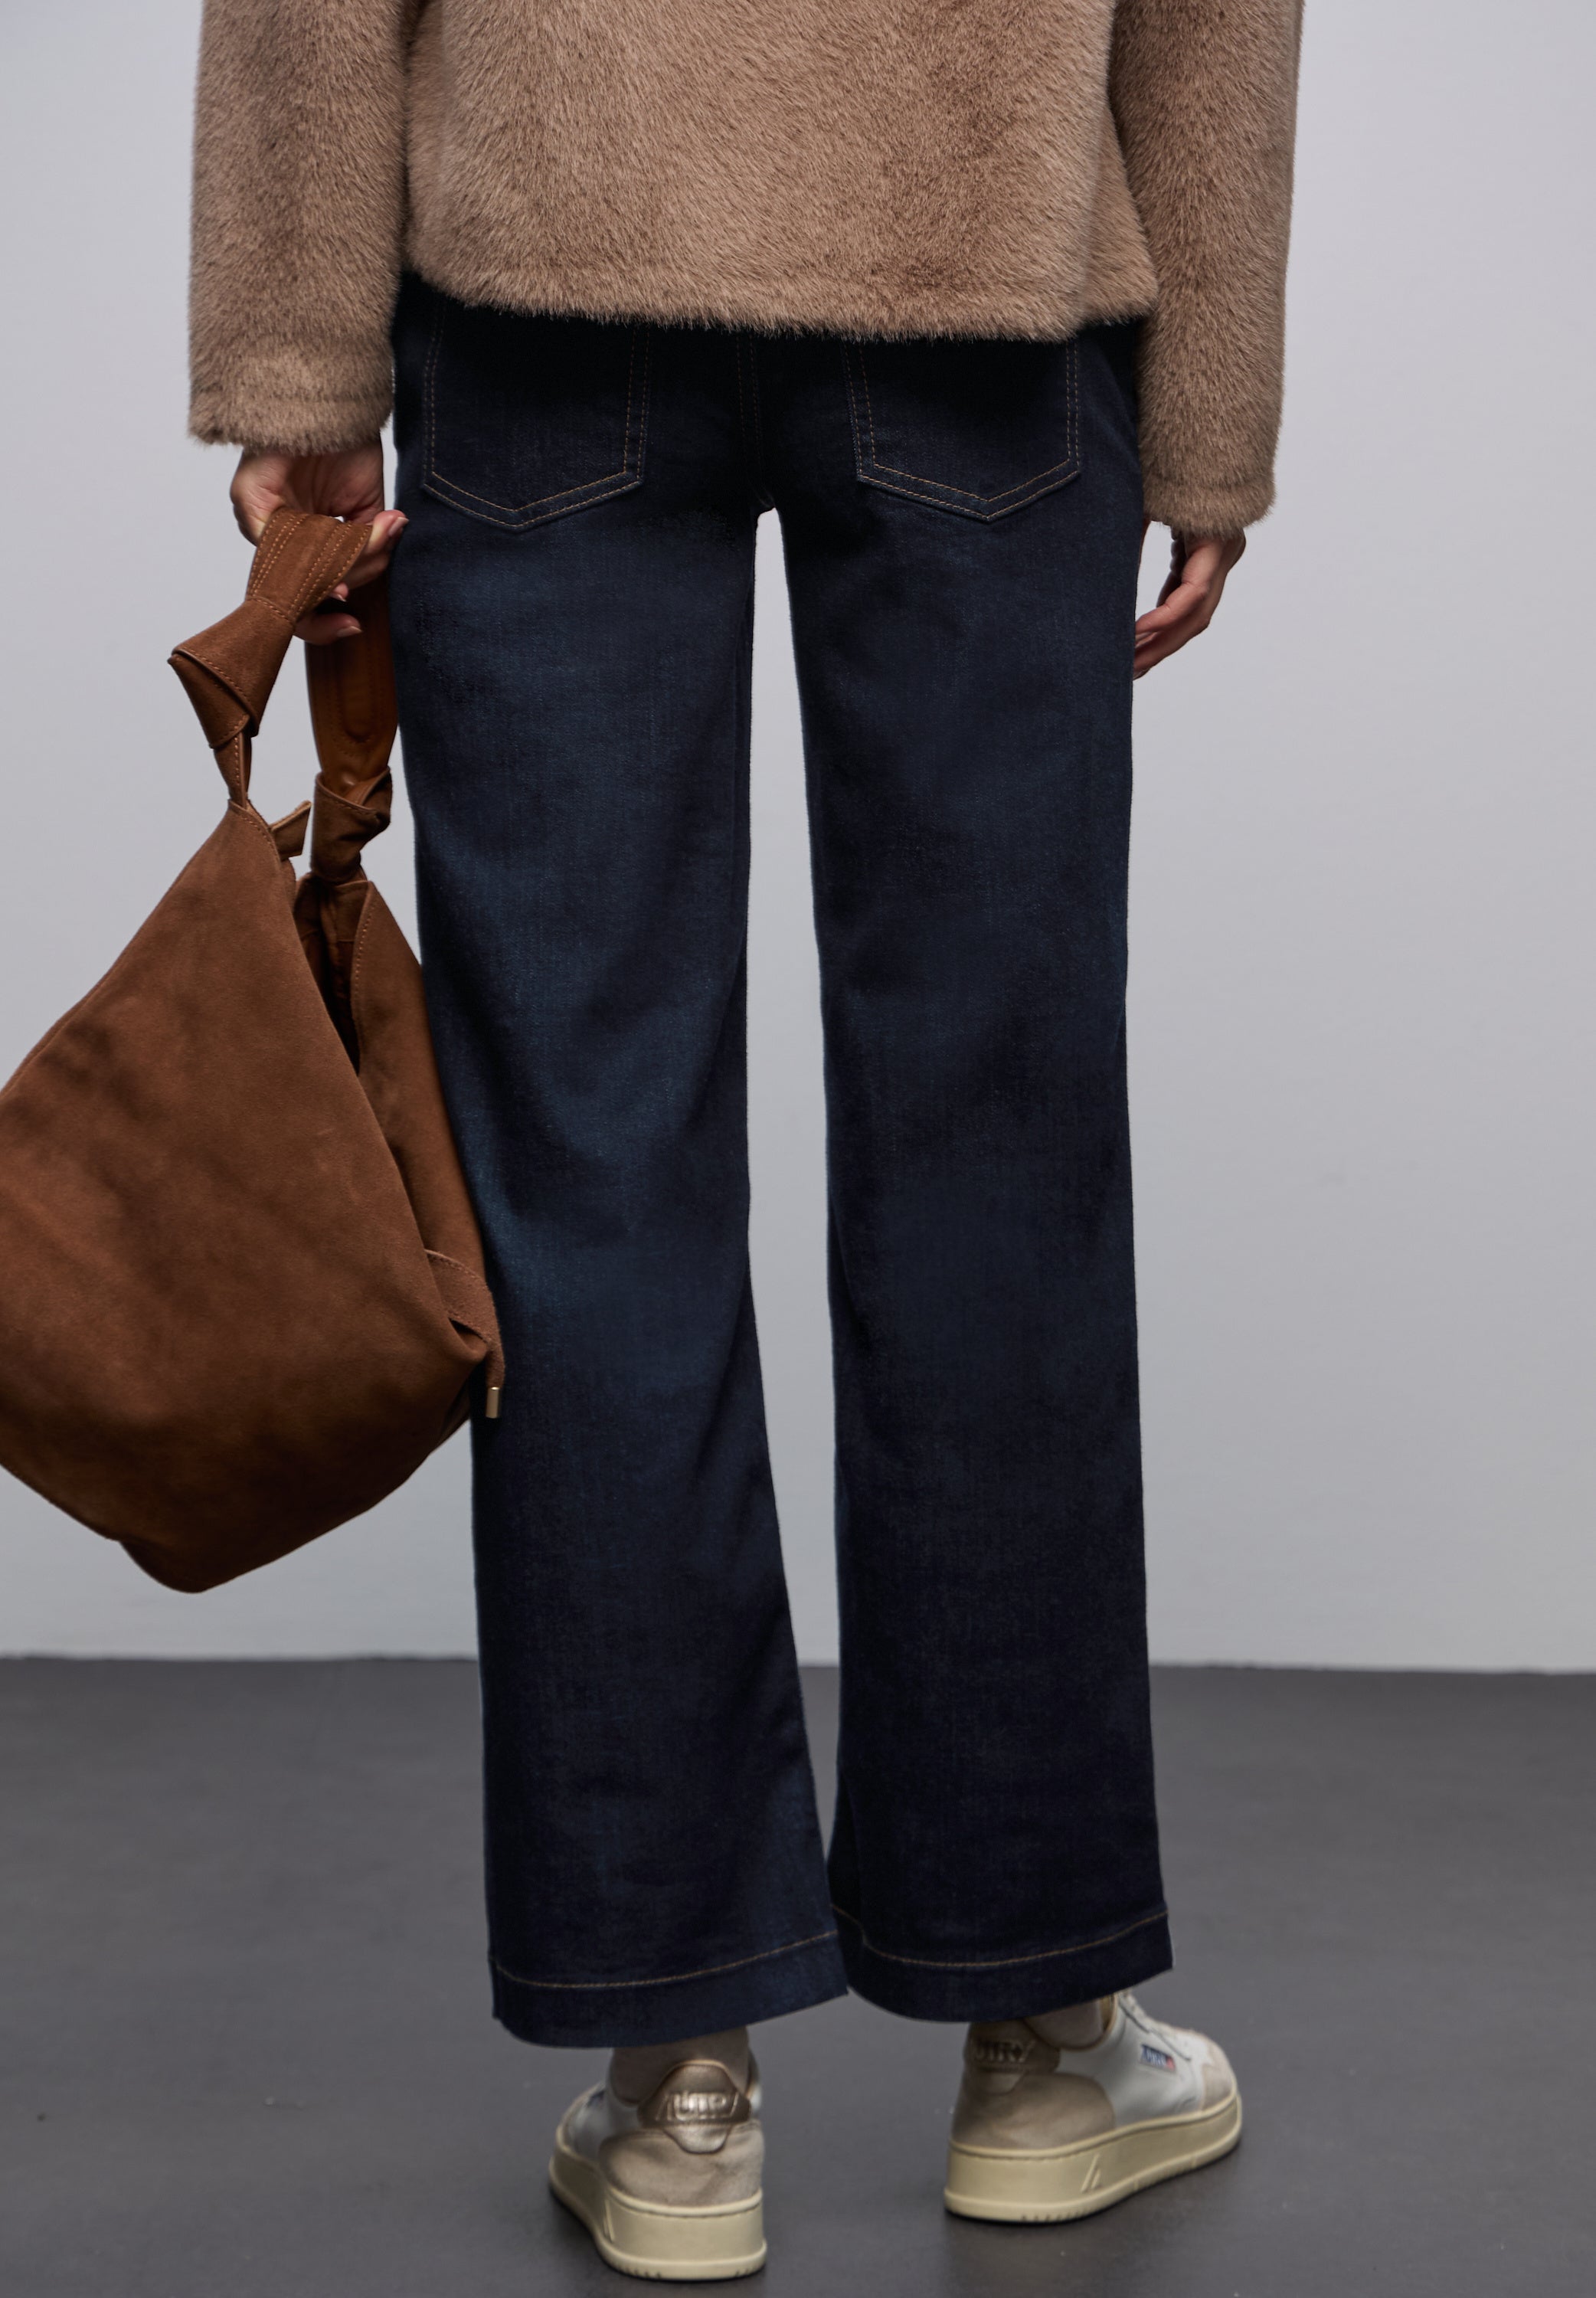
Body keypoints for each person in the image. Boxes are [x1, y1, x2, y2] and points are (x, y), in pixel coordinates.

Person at [190, 0, 1301, 2277]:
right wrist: (1211, 405)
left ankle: (675, 2076)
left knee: (585, 1171)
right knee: (994, 1166)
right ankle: (1040, 2031)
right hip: (982, 287)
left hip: (546, 283)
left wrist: (298, 370)